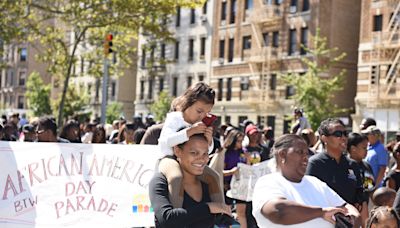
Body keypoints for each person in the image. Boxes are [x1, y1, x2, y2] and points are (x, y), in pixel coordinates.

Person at [252, 134, 360, 227]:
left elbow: (345, 206)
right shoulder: (268, 182)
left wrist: (352, 218)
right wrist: (321, 212)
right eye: (300, 152)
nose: (306, 157)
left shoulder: (315, 182)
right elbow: (278, 211)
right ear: (282, 154)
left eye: (307, 153)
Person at [157, 82, 224, 209]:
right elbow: (166, 141)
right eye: (199, 111)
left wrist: (209, 141)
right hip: (169, 159)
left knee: (214, 176)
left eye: (206, 113)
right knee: (176, 177)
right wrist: (190, 132)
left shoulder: (200, 123)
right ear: (187, 103)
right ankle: (176, 214)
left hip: (190, 162)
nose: (202, 116)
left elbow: (205, 151)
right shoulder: (175, 118)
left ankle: (221, 212)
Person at [149, 133, 232, 228]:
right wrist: (208, 207)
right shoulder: (161, 181)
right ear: (177, 151)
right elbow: (166, 220)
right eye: (194, 153)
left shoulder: (208, 183)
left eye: (205, 153)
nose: (202, 159)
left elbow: (220, 219)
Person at [306, 118, 366, 217]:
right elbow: (309, 196)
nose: (343, 138)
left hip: (350, 221)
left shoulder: (353, 165)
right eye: (338, 134)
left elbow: (360, 194)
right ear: (324, 138)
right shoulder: (314, 164)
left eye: (345, 134)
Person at [222, 130, 248, 227]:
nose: (241, 144)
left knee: (241, 213)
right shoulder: (225, 153)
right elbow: (219, 172)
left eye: (242, 141)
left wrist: (248, 160)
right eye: (238, 141)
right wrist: (231, 172)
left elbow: (248, 170)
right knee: (227, 213)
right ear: (232, 140)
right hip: (227, 185)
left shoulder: (244, 152)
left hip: (241, 186)